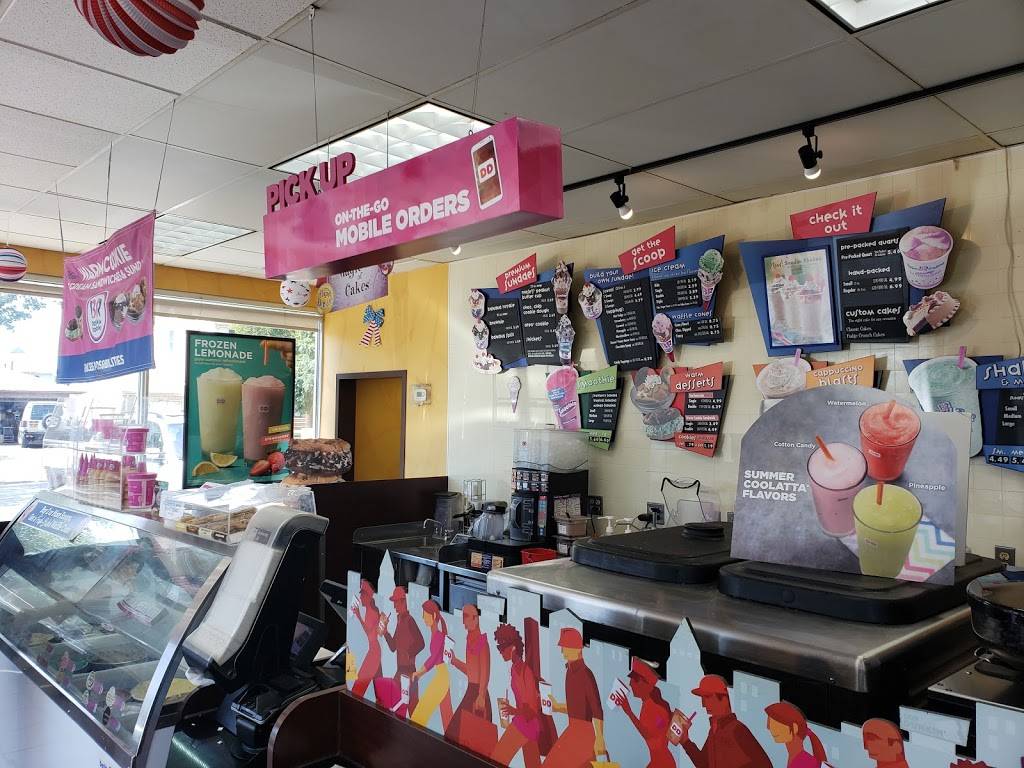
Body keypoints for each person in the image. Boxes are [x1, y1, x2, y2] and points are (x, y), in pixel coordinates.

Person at [676, 674, 771, 768]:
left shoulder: (737, 729)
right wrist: (686, 741)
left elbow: (765, 764)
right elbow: (704, 764)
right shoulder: (713, 731)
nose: (703, 704)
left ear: (724, 699)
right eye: (703, 699)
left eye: (708, 697)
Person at [544, 627, 606, 768]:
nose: (562, 652)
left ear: (578, 649)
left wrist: (599, 738)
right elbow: (577, 707)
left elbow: (596, 710)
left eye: (566, 647)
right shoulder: (569, 672)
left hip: (584, 733)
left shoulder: (586, 675)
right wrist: (557, 707)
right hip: (573, 729)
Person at [491, 623, 542, 768]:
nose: (500, 652)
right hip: (525, 722)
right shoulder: (515, 669)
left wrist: (514, 711)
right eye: (499, 648)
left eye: (502, 648)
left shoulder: (525, 672)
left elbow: (532, 708)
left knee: (498, 757)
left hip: (526, 723)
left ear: (513, 648)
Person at [610, 658, 674, 768]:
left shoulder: (655, 708)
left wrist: (629, 712)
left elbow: (651, 736)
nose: (630, 684)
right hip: (658, 761)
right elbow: (658, 729)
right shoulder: (648, 704)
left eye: (634, 680)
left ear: (646, 684)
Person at [446, 604, 491, 745]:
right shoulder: (470, 641)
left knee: (463, 734)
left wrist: (481, 695)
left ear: (475, 619)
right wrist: (454, 661)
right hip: (472, 690)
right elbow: (471, 671)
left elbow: (485, 672)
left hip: (478, 693)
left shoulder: (482, 642)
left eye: (466, 617)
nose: (463, 622)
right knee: (456, 733)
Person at [409, 600, 454, 730]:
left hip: (442, 678)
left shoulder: (438, 636)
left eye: (425, 615)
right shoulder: (435, 634)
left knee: (420, 714)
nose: (423, 618)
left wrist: (419, 673)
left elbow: (433, 659)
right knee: (446, 717)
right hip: (441, 676)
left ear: (434, 616)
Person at [380, 586, 425, 713]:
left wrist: (408, 653)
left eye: (396, 602)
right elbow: (393, 647)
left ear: (403, 601)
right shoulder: (400, 620)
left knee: (413, 709)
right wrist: (385, 632)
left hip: (409, 671)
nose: (394, 606)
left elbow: (421, 643)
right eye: (393, 602)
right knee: (394, 705)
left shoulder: (409, 620)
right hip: (400, 671)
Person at [766, 702, 828, 768]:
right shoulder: (797, 757)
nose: (769, 728)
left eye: (775, 725)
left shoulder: (801, 762)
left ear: (795, 728)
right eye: (769, 724)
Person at [349, 579, 382, 698]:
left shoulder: (372, 611)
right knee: (379, 692)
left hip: (374, 652)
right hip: (373, 649)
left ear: (368, 596)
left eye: (362, 594)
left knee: (357, 689)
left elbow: (370, 634)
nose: (360, 597)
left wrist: (358, 615)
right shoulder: (369, 609)